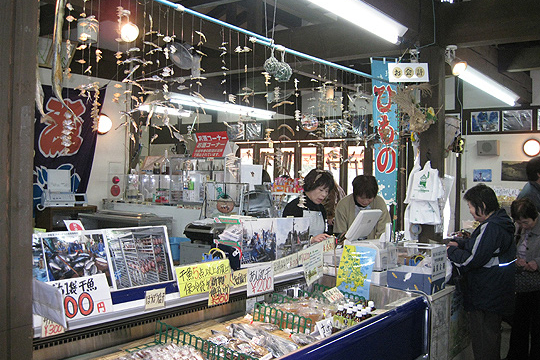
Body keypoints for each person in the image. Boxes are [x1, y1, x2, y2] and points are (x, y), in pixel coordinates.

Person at [447, 184, 516, 360]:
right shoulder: (501, 221)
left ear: (482, 205)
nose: (469, 210)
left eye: (470, 205)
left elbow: (473, 260)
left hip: (486, 292)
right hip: (496, 290)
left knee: (484, 341)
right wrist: (461, 244)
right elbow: (482, 247)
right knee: (491, 338)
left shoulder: (491, 227)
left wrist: (451, 252)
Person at [506, 198, 540, 360]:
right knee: (519, 325)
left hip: (537, 284)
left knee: (537, 328)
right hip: (521, 284)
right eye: (520, 222)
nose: (523, 226)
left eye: (526, 222)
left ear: (534, 217)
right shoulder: (519, 229)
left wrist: (536, 263)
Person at [282, 169, 335, 243]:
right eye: (321, 190)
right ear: (311, 186)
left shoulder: (321, 208)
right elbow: (288, 236)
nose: (324, 195)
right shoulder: (294, 207)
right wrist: (311, 240)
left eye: (326, 191)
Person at [333, 175, 391, 239]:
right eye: (362, 198)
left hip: (373, 245)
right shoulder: (343, 205)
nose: (365, 202)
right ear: (355, 194)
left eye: (369, 198)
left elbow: (384, 230)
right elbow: (340, 232)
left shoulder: (379, 203)